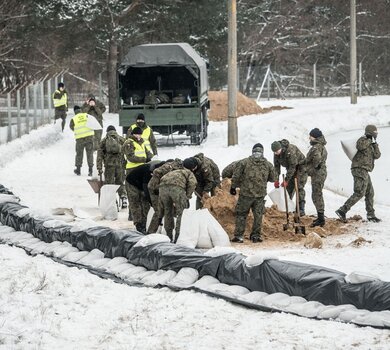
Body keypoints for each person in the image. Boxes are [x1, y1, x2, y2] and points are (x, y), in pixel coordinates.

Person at [230, 144, 276, 243]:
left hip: (245, 195)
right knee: (258, 216)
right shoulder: (268, 164)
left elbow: (236, 175)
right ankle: (255, 236)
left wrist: (233, 187)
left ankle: (239, 236)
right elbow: (273, 178)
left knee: (241, 214)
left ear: (252, 151)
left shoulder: (244, 162)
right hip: (260, 195)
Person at [336, 125, 381, 223]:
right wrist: (369, 139)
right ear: (370, 132)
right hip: (359, 169)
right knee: (360, 192)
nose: (376, 133)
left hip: (365, 170)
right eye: (375, 132)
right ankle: (342, 210)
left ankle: (371, 215)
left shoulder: (372, 142)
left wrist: (375, 144)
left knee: (370, 193)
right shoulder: (363, 139)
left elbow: (377, 155)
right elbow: (360, 146)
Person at [158, 158, 197, 243]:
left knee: (167, 212)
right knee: (181, 213)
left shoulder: (170, 172)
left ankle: (168, 237)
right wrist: (188, 196)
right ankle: (178, 237)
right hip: (177, 188)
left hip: (162, 188)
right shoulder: (188, 172)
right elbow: (193, 183)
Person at [122, 126, 154, 221]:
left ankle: (144, 217)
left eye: (140, 134)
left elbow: (148, 153)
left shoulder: (142, 142)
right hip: (132, 169)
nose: (138, 136)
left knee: (142, 193)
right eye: (136, 134)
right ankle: (132, 215)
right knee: (133, 195)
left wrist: (150, 157)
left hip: (142, 169)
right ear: (133, 134)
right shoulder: (129, 143)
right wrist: (144, 159)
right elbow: (130, 157)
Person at [126, 161, 165, 234]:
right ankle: (138, 224)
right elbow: (146, 188)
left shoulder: (162, 169)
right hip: (132, 183)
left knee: (145, 205)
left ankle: (144, 223)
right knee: (136, 204)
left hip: (141, 183)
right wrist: (151, 201)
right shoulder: (149, 171)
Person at [271, 139, 307, 216]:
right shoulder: (276, 154)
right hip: (291, 169)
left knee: (299, 187)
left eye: (277, 151)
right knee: (288, 189)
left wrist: (286, 180)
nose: (276, 153)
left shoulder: (290, 150)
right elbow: (276, 167)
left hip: (301, 168)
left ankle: (300, 209)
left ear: (281, 148)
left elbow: (293, 166)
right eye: (274, 152)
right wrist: (276, 179)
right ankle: (288, 207)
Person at [147, 158, 183, 234]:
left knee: (168, 210)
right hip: (154, 189)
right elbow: (156, 173)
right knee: (159, 211)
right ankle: (151, 232)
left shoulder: (175, 168)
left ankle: (167, 232)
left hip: (162, 189)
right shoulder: (167, 168)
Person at [96, 125, 127, 208]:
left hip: (109, 166)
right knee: (120, 182)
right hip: (120, 165)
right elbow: (128, 151)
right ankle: (123, 197)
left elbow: (99, 155)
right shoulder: (121, 139)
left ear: (107, 131)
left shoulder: (104, 140)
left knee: (109, 184)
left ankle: (113, 201)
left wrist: (99, 167)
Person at [306, 128, 328, 227]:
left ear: (314, 137)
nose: (309, 138)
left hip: (318, 174)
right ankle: (320, 217)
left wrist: (314, 167)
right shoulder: (321, 146)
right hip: (321, 173)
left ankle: (321, 219)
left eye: (310, 136)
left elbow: (317, 158)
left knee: (317, 195)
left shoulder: (316, 147)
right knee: (317, 194)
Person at [69, 105, 94, 176]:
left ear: (74, 111)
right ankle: (90, 170)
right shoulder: (86, 115)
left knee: (79, 154)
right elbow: (92, 123)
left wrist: (77, 130)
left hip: (80, 139)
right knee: (89, 153)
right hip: (89, 137)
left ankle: (78, 170)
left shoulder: (74, 118)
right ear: (80, 110)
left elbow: (71, 126)